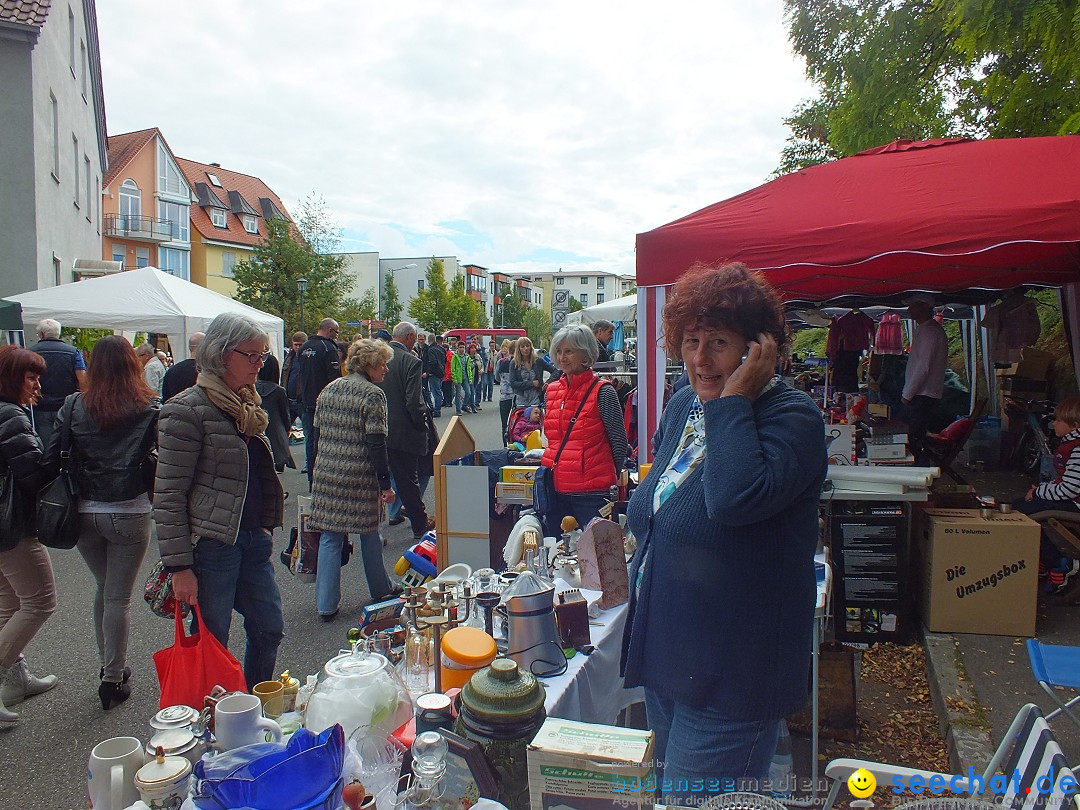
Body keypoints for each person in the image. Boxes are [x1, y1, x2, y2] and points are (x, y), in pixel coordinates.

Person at [620, 262, 826, 804]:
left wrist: (735, 401)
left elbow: (733, 501)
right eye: (690, 341)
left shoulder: (792, 419)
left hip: (735, 672)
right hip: (671, 657)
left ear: (759, 349)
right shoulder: (685, 403)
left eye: (719, 342)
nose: (700, 359)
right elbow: (655, 509)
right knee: (672, 796)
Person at [154, 313, 285, 688]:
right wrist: (179, 566)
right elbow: (168, 494)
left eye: (263, 356)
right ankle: (218, 722)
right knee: (214, 641)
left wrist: (264, 523)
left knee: (269, 627)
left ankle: (250, 703)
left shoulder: (247, 405)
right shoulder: (186, 409)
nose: (261, 365)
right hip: (212, 546)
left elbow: (257, 474)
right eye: (253, 356)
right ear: (222, 353)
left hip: (252, 538)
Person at [43, 336, 158, 710]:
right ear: (133, 365)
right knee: (116, 597)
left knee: (104, 590)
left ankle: (110, 666)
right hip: (129, 509)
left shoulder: (74, 404)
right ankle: (112, 678)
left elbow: (50, 454)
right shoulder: (149, 407)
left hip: (83, 510)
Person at [308, 339, 401, 619]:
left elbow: (316, 436)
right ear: (370, 365)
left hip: (327, 471)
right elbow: (376, 443)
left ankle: (326, 603)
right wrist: (385, 483)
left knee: (330, 535)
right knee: (370, 533)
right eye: (382, 364)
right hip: (359, 474)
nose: (385, 369)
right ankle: (380, 587)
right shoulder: (372, 395)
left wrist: (314, 473)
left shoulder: (329, 390)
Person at [0, 346, 58, 723]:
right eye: (31, 376)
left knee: (10, 604)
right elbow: (34, 475)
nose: (37, 384)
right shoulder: (10, 416)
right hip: (12, 525)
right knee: (40, 601)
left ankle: (16, 679)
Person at [539, 325, 627, 537]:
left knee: (599, 556)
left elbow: (619, 442)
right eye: (558, 351)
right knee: (558, 555)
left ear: (585, 353)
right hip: (557, 490)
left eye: (569, 351)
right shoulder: (551, 391)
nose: (562, 357)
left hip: (593, 494)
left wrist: (601, 474)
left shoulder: (603, 392)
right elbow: (551, 439)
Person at [1012, 396, 1080, 593]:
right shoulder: (1072, 444)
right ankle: (1046, 560)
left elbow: (1070, 489)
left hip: (1074, 504)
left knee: (1019, 512)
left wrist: (1039, 491)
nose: (1054, 423)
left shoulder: (1077, 448)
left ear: (1074, 425)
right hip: (1071, 500)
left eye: (1059, 420)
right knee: (1020, 507)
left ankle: (1058, 562)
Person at [376, 323, 433, 541]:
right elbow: (414, 401)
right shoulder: (411, 361)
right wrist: (421, 425)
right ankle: (419, 525)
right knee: (408, 479)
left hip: (377, 428)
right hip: (403, 431)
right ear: (409, 337)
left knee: (380, 479)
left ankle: (378, 529)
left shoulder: (379, 358)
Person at [901, 293, 948, 465]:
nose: (909, 309)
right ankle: (920, 469)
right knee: (916, 436)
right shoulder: (927, 329)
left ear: (924, 307)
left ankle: (920, 472)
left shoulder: (929, 331)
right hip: (923, 392)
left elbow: (923, 368)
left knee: (915, 437)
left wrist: (907, 394)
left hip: (922, 393)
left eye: (913, 305)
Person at [298, 319, 342, 487]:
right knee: (328, 442)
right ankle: (325, 481)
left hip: (306, 401)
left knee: (310, 442)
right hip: (325, 403)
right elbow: (335, 380)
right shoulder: (328, 348)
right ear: (330, 330)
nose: (337, 337)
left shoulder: (304, 347)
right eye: (336, 332)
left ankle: (312, 480)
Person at [29, 318, 85, 447]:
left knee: (45, 445)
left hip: (40, 406)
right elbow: (83, 381)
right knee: (65, 443)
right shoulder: (73, 352)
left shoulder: (30, 353)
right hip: (66, 406)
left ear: (41, 334)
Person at [256, 359, 297, 473]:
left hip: (258, 426)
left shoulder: (253, 388)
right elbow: (285, 412)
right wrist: (288, 428)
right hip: (276, 428)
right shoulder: (279, 391)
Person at [510, 337, 554, 409]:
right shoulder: (514, 363)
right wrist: (532, 383)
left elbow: (556, 371)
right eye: (523, 346)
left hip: (536, 399)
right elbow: (513, 383)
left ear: (531, 347)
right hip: (520, 401)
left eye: (528, 346)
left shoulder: (538, 361)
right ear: (519, 349)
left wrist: (548, 382)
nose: (526, 348)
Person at [161, 332, 205, 402]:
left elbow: (165, 399)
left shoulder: (172, 371)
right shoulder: (205, 372)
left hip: (174, 410)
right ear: (204, 347)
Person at [280, 331, 307, 425]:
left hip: (302, 402)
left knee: (307, 432)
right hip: (288, 400)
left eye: (301, 345)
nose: (298, 347)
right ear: (292, 344)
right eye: (296, 345)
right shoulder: (289, 357)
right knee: (284, 428)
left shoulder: (309, 359)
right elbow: (283, 377)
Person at [497, 339, 517, 443]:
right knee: (516, 422)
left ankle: (505, 445)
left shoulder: (501, 362)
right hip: (517, 396)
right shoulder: (518, 363)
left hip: (504, 395)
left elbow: (497, 377)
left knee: (505, 423)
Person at [422, 333, 447, 417]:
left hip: (434, 373)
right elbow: (445, 360)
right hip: (441, 372)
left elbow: (433, 362)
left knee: (436, 392)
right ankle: (437, 409)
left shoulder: (430, 350)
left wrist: (429, 372)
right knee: (438, 391)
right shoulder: (442, 349)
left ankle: (437, 410)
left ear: (429, 340)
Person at [450, 342, 468, 415]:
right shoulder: (455, 357)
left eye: (463, 347)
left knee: (468, 392)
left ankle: (464, 405)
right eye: (460, 347)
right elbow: (453, 368)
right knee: (458, 394)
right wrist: (454, 379)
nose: (462, 349)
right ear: (458, 348)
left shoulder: (466, 356)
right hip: (458, 378)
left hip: (465, 377)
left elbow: (468, 367)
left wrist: (470, 377)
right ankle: (458, 409)